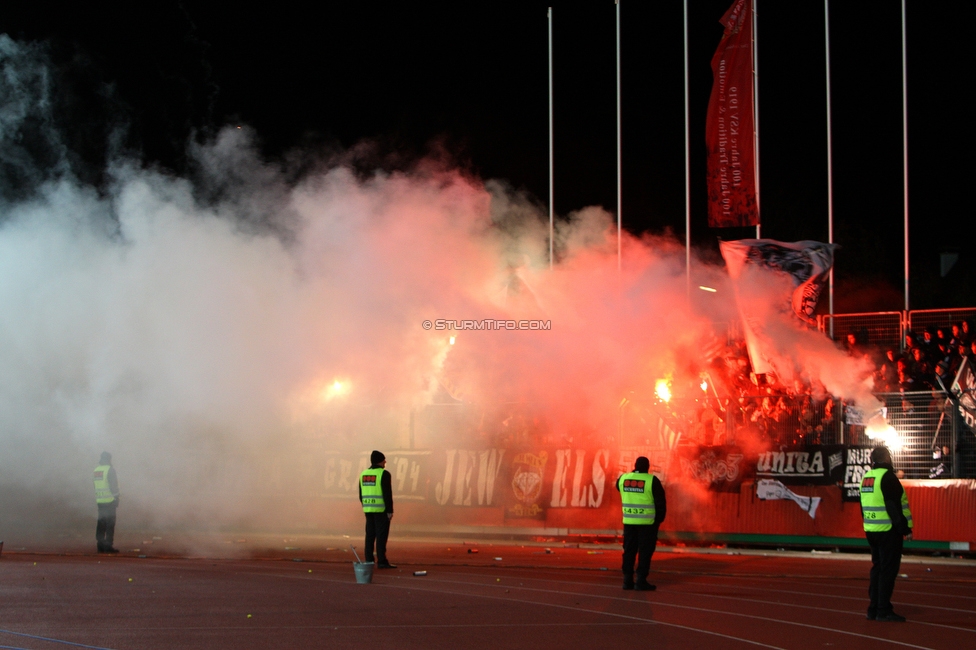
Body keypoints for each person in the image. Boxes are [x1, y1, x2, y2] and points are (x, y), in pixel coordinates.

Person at [860, 446, 913, 622]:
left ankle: (873, 608)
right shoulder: (888, 477)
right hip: (888, 531)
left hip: (871, 530)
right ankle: (883, 609)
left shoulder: (867, 477)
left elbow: (863, 506)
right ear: (887, 458)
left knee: (877, 568)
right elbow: (893, 507)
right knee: (888, 571)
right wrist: (904, 529)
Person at [616, 456, 667, 591]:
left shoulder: (623, 479)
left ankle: (627, 580)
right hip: (647, 524)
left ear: (635, 465)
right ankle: (641, 580)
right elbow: (661, 503)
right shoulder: (652, 481)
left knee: (629, 551)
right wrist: (658, 521)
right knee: (645, 552)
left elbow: (618, 488)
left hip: (629, 522)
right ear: (648, 467)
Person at [359, 450, 396, 569]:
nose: (385, 461)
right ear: (380, 461)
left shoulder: (363, 474)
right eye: (384, 459)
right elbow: (387, 493)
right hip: (381, 510)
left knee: (369, 535)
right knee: (381, 536)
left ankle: (369, 560)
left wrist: (366, 505)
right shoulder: (384, 474)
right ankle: (382, 560)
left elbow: (361, 494)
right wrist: (390, 510)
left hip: (368, 509)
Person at [93, 451, 120, 554]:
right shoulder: (110, 470)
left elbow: (95, 486)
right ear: (109, 459)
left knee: (101, 523)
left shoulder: (96, 470)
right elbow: (113, 486)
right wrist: (116, 498)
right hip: (109, 501)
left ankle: (100, 545)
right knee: (110, 524)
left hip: (100, 501)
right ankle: (108, 546)